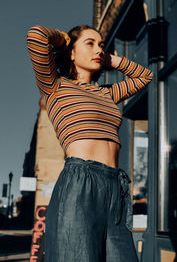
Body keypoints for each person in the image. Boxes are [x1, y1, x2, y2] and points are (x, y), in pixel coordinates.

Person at [27, 24, 153, 262]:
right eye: (90, 43)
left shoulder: (107, 93)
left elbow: (145, 76)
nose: (99, 50)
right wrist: (64, 39)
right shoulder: (55, 86)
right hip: (80, 182)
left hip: (116, 186)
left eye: (101, 45)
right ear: (71, 52)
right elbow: (36, 36)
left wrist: (110, 59)